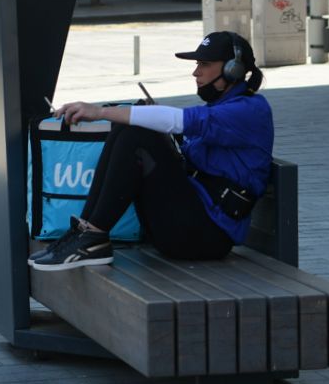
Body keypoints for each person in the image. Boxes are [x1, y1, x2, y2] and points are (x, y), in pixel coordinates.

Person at [29, 31, 272, 270]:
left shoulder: (249, 111)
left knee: (137, 134)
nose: (196, 72)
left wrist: (100, 112)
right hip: (187, 225)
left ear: (233, 70)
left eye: (205, 64)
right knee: (127, 128)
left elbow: (180, 120)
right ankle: (86, 232)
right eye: (197, 63)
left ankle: (91, 238)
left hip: (206, 237)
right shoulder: (225, 107)